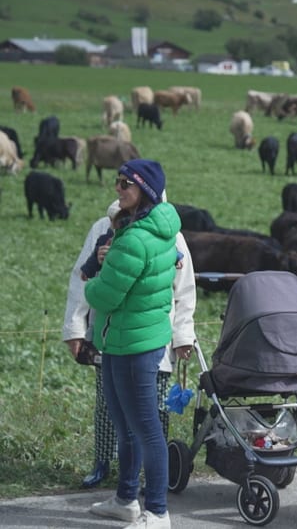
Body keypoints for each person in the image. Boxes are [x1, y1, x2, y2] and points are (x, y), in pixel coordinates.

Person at [63, 199, 196, 490]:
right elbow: (81, 279)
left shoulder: (170, 235)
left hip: (153, 336)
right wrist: (75, 327)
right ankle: (104, 463)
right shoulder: (102, 227)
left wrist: (183, 336)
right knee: (109, 406)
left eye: (127, 185)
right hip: (111, 335)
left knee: (153, 412)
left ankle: (151, 479)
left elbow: (184, 289)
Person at [85, 159, 182, 529]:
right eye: (117, 181)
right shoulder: (152, 230)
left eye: (126, 183)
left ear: (145, 192)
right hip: (127, 338)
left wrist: (95, 279)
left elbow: (103, 295)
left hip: (133, 342)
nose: (118, 188)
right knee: (126, 423)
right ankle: (126, 499)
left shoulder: (135, 239)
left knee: (144, 428)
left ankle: (157, 511)